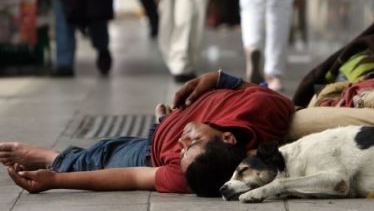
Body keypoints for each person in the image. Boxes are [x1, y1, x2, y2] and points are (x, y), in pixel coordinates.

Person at [0, 71, 294, 196]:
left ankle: (53, 158)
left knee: (100, 155)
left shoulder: (188, 174)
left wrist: (55, 181)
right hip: (165, 125)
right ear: (229, 137)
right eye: (192, 141)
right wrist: (216, 78)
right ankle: (161, 122)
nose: (183, 141)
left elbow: (133, 177)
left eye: (182, 151)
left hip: (149, 153)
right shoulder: (265, 110)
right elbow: (255, 90)